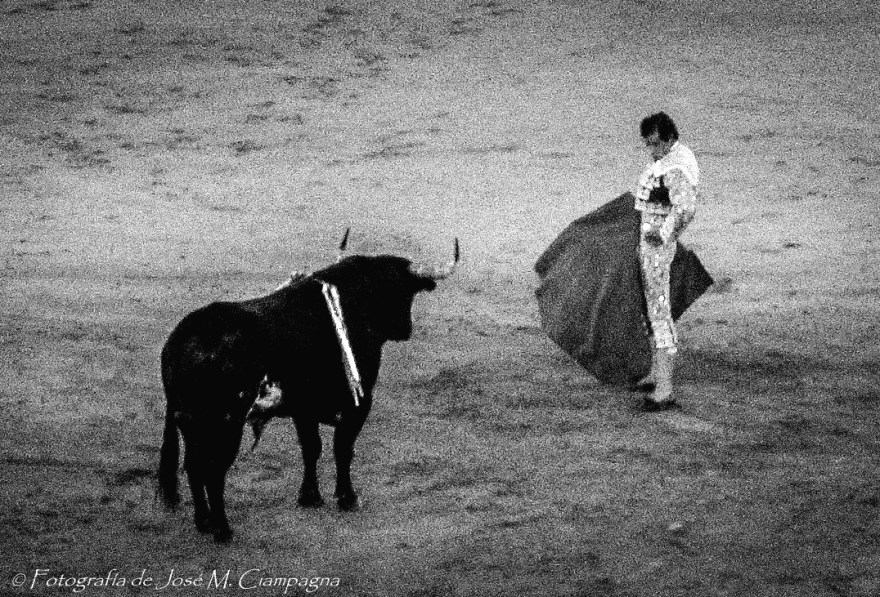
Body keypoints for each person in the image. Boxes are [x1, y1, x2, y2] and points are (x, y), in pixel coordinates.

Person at [633, 112, 700, 409]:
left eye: (657, 143)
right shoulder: (673, 158)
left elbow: (685, 208)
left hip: (657, 250)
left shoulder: (675, 167)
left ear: (670, 138)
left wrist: (663, 234)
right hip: (650, 247)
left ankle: (665, 388)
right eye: (649, 144)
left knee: (659, 312)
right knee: (652, 308)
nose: (653, 150)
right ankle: (656, 373)